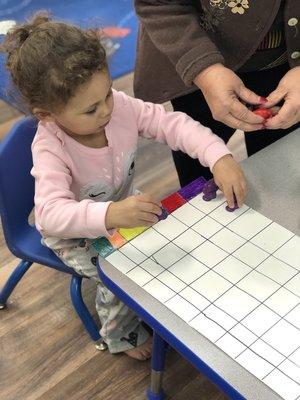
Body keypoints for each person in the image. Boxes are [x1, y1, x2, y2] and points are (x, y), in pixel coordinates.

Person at [1, 12, 246, 359]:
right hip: (72, 234)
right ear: (46, 114)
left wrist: (218, 155)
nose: (105, 112)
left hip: (119, 205)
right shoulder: (49, 147)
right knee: (121, 274)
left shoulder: (118, 108)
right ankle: (120, 334)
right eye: (90, 109)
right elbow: (50, 216)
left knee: (167, 249)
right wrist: (113, 213)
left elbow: (168, 124)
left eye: (108, 96)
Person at [134, 0, 300, 186]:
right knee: (198, 176)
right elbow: (158, 4)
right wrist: (206, 72)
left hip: (287, 73)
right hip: (198, 69)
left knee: (278, 172)